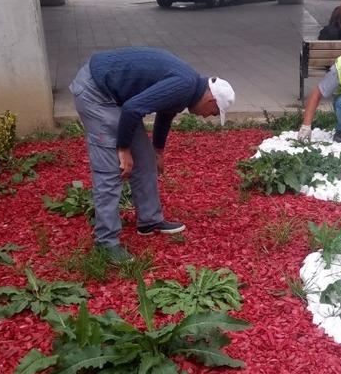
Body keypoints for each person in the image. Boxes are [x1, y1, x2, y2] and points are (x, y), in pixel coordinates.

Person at [69, 47, 235, 262]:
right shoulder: (184, 85)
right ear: (211, 101)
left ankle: (149, 221)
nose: (207, 117)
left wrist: (158, 151)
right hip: (96, 92)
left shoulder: (187, 88)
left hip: (117, 97)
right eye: (213, 113)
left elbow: (165, 114)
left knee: (146, 160)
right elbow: (131, 109)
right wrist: (123, 149)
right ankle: (106, 242)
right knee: (112, 170)